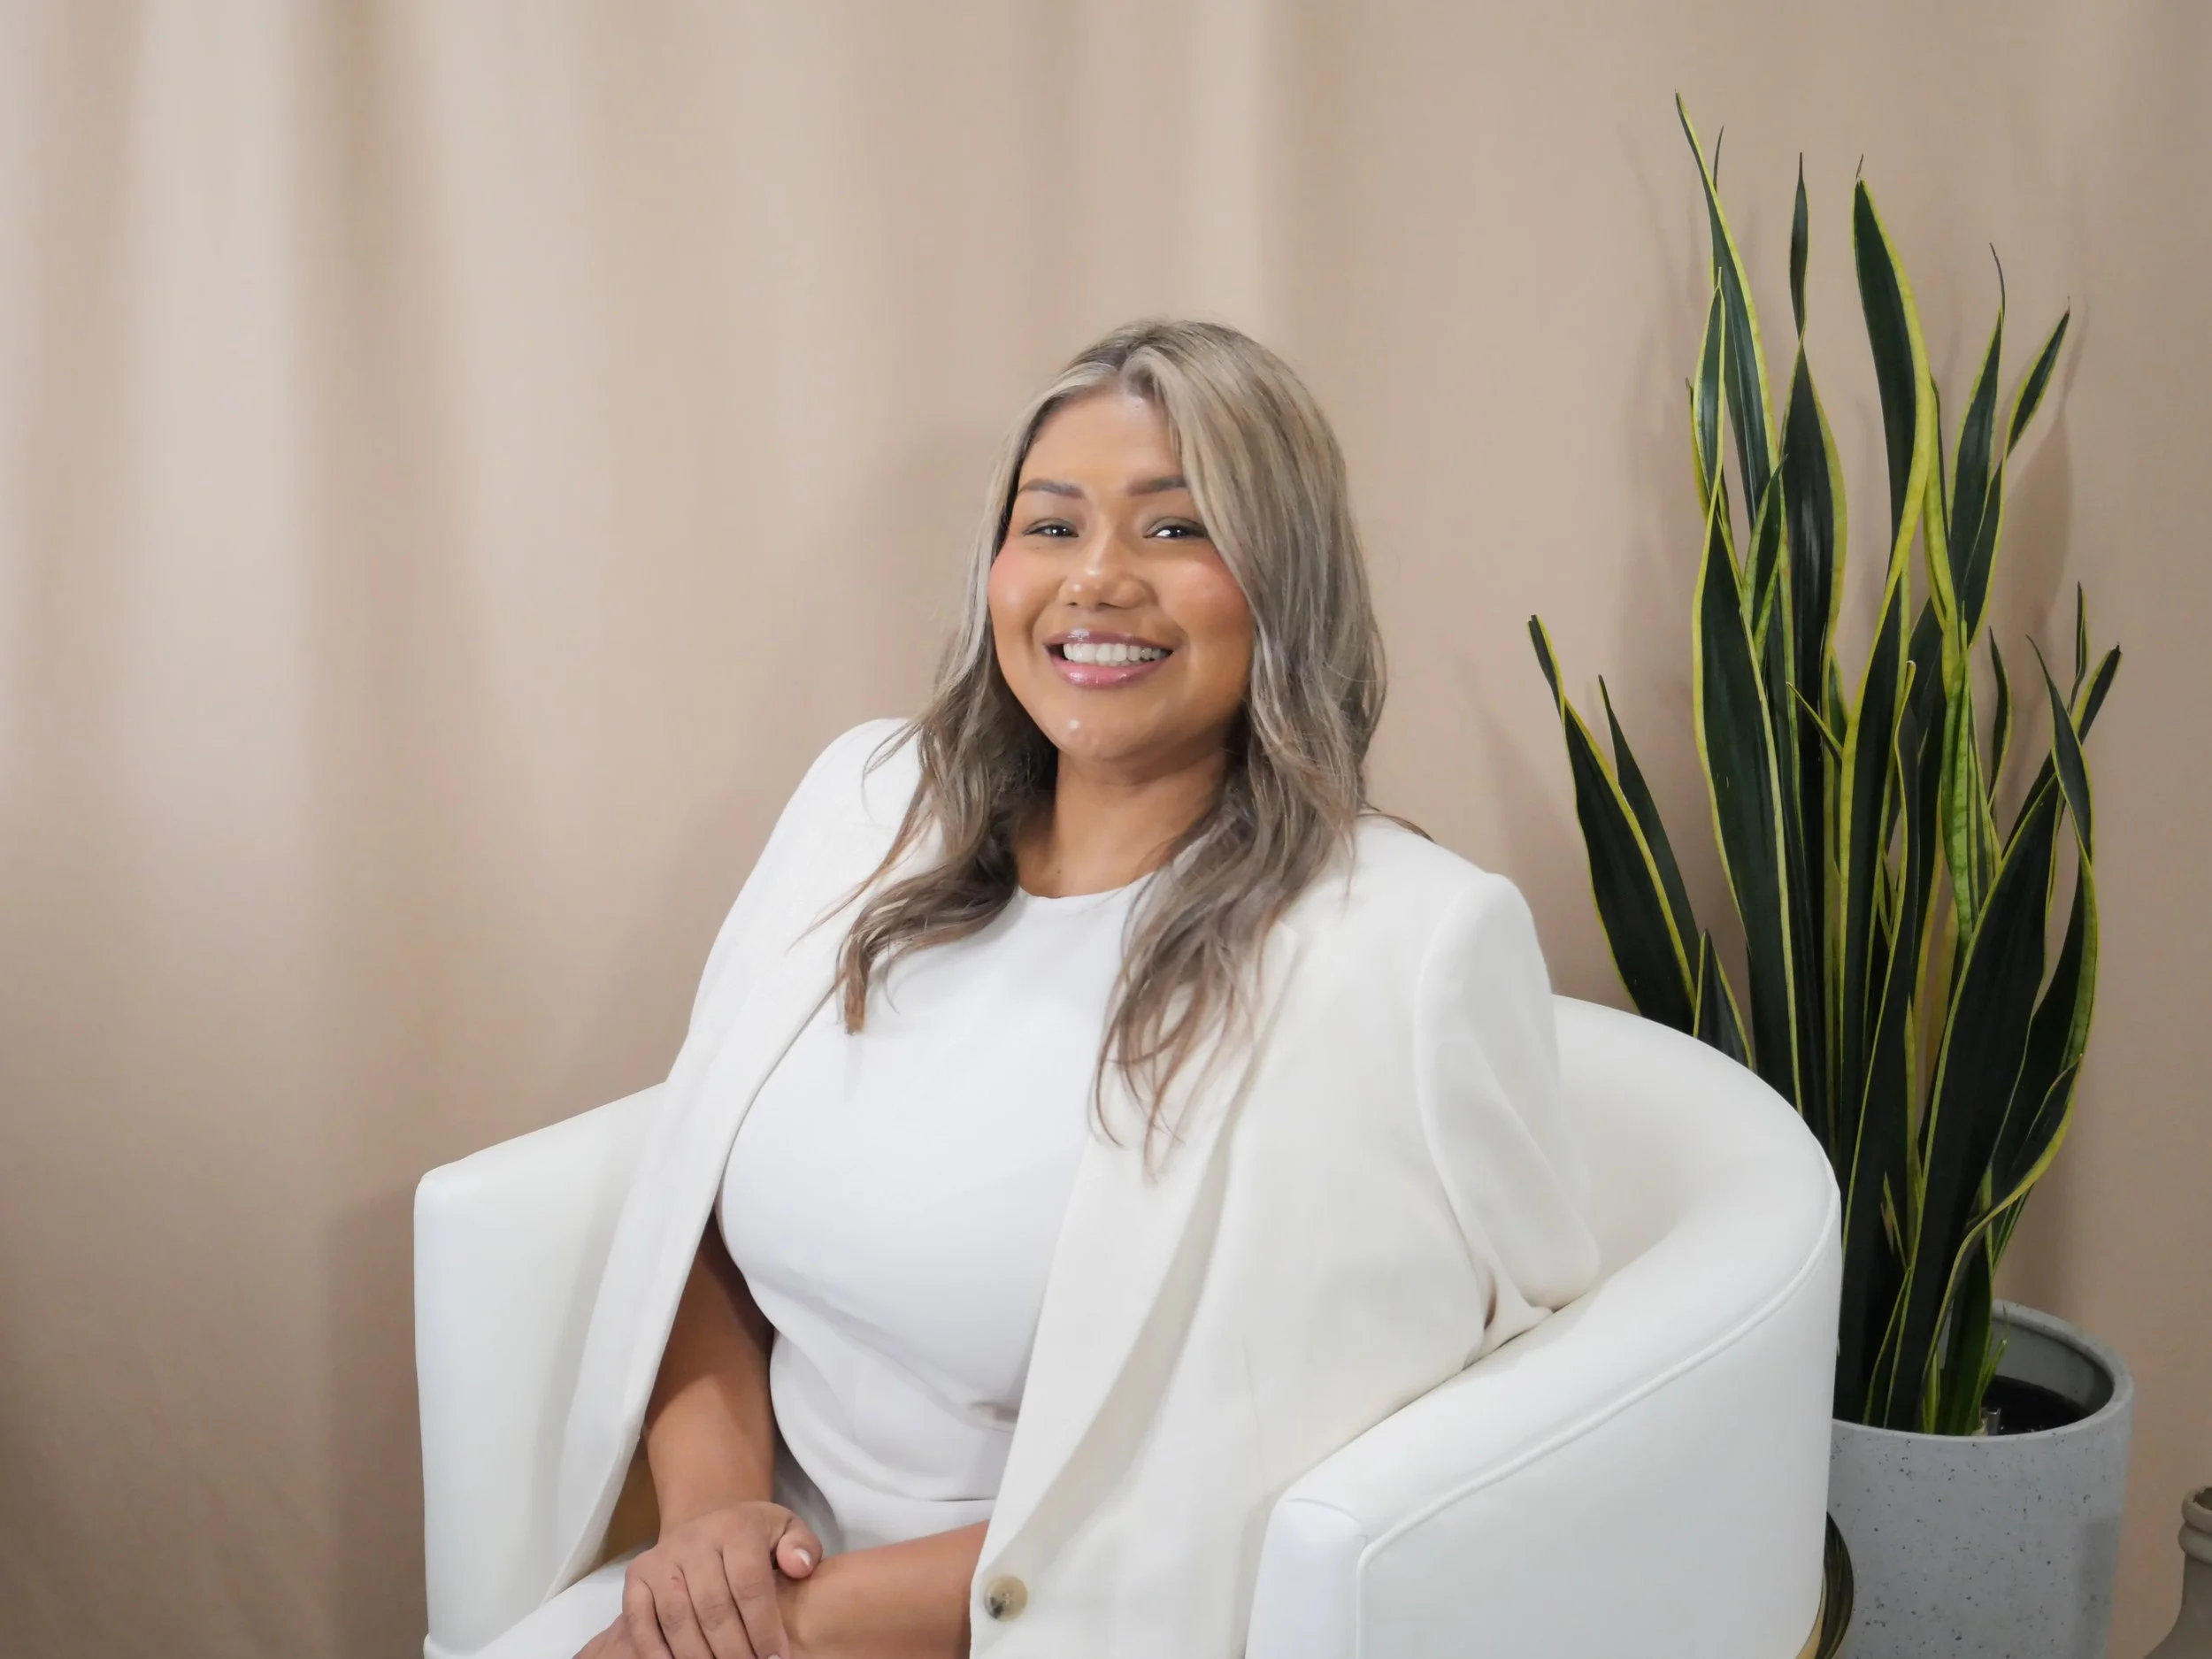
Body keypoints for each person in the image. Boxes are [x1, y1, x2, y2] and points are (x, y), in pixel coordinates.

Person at [480, 319, 1599, 1659]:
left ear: (1284, 585)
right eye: (1052, 526)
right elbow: (696, 1213)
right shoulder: (868, 802)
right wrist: (713, 1529)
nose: (1099, 581)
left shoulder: (1396, 950)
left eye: (1178, 531)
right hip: (742, 1579)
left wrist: (788, 1630)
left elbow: (1258, 1485)